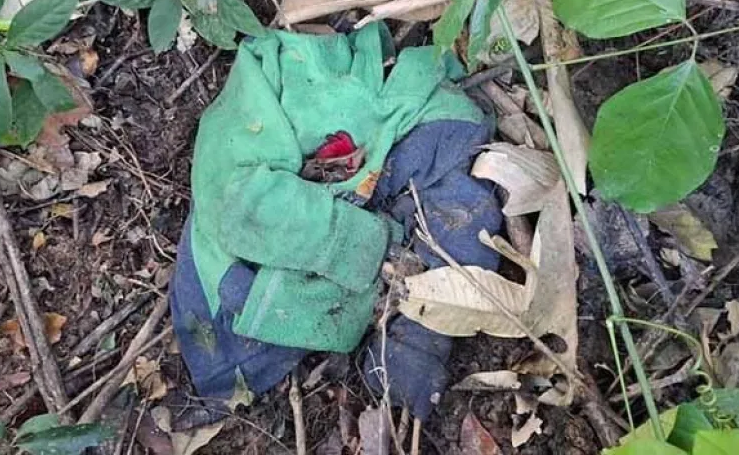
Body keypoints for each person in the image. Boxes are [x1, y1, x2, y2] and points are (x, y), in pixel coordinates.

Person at [169, 23, 503, 426]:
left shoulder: (429, 115)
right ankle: (405, 336)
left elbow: (466, 216)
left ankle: (409, 341)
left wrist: (420, 336)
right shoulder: (261, 82)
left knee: (460, 214)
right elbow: (234, 200)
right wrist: (371, 249)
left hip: (393, 164)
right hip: (269, 272)